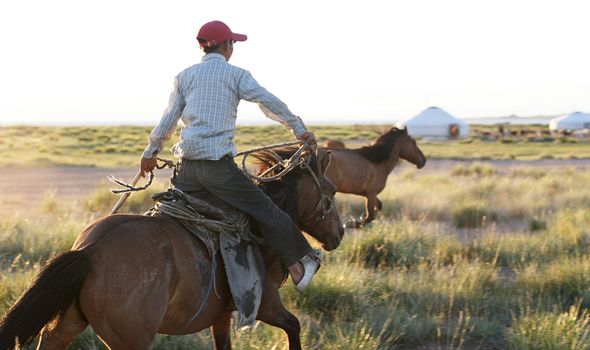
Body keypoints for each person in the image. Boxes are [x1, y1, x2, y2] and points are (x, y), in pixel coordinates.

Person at [140, 20, 320, 292]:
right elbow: (266, 101)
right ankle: (299, 267)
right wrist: (298, 129)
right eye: (232, 43)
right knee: (268, 211)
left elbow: (168, 121)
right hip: (218, 171)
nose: (232, 47)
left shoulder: (184, 77)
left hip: (186, 171)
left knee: (167, 211)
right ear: (226, 46)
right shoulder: (236, 75)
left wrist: (150, 153)